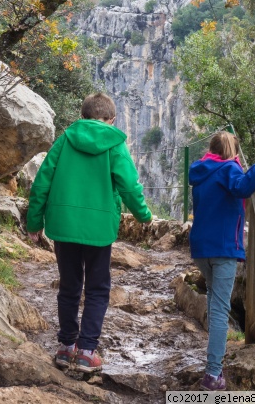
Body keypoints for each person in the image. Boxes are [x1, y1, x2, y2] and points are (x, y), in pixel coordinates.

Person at [26, 92, 152, 373]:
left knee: (69, 286)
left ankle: (66, 347)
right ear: (112, 119)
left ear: (82, 116)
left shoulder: (65, 140)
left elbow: (41, 183)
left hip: (64, 224)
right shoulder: (115, 145)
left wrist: (34, 222)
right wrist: (143, 215)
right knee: (97, 289)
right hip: (98, 229)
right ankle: (86, 352)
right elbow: (130, 186)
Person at [189, 131, 255, 391]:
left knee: (214, 299)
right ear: (233, 152)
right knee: (221, 310)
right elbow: (243, 186)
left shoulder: (200, 171)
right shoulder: (228, 170)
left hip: (201, 249)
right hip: (223, 249)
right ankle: (212, 374)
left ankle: (212, 360)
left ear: (211, 149)